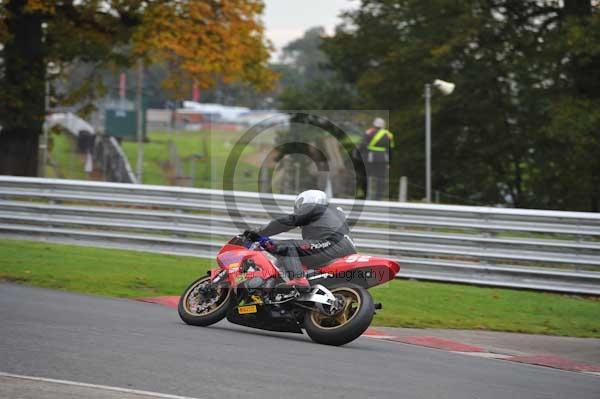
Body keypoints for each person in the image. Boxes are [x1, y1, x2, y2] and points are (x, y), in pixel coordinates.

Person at [244, 190, 356, 291]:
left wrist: (257, 233)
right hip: (345, 249)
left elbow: (289, 221)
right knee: (288, 258)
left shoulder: (314, 207)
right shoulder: (334, 212)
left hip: (331, 245)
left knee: (286, 247)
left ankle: (298, 280)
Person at [360, 118, 395, 200]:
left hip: (370, 157)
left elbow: (362, 146)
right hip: (383, 158)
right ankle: (378, 197)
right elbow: (390, 150)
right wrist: (389, 162)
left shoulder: (368, 132)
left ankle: (366, 195)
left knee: (367, 176)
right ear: (383, 125)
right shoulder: (389, 135)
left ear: (374, 124)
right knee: (381, 177)